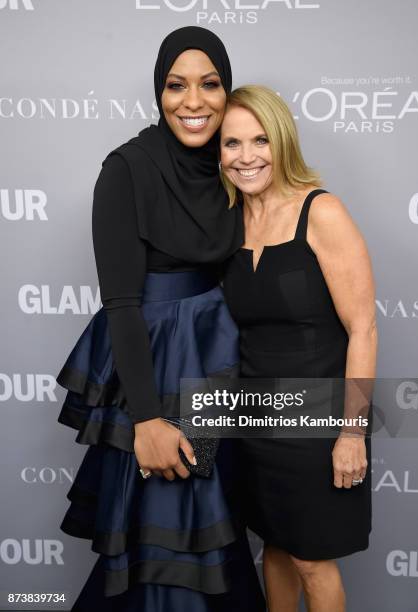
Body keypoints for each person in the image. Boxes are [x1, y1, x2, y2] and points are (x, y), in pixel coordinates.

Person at [55, 28, 265, 612]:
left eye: (210, 84)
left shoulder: (233, 166)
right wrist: (147, 420)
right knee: (161, 530)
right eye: (176, 85)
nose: (192, 101)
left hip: (217, 368)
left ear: (228, 92)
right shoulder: (127, 169)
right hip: (154, 367)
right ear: (159, 90)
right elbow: (121, 304)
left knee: (213, 528)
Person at [219, 85, 376, 612]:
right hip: (255, 419)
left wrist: (351, 433)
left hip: (320, 424)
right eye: (231, 143)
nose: (246, 157)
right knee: (275, 547)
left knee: (312, 559)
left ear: (282, 141)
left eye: (259, 140)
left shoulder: (321, 211)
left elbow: (363, 330)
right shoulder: (228, 222)